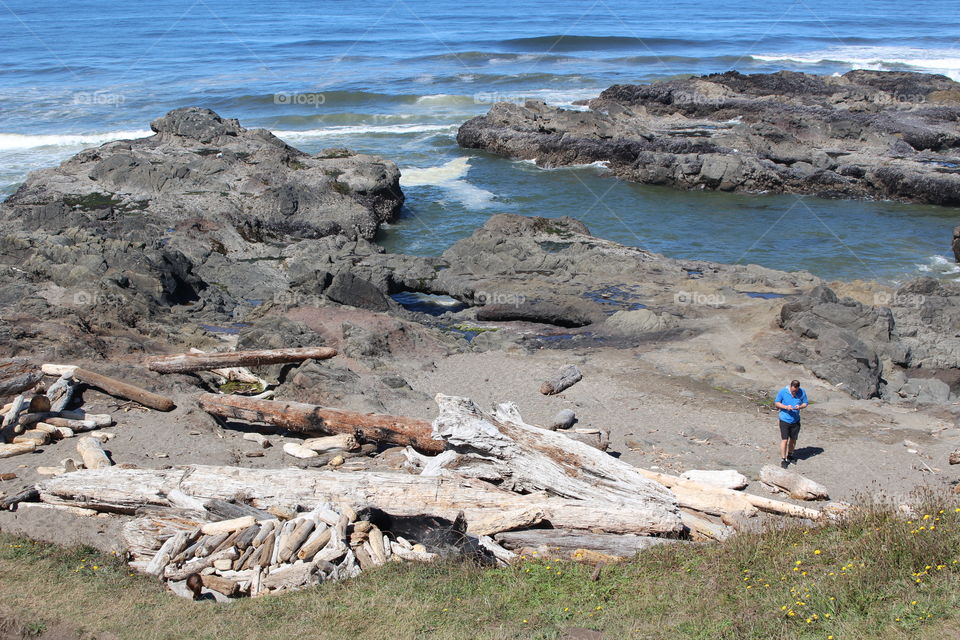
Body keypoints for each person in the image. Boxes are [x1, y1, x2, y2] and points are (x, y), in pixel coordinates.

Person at [774, 379, 808, 468]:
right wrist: (785, 407)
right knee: (784, 440)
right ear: (790, 386)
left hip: (795, 420)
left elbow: (805, 403)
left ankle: (790, 455)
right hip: (784, 419)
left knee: (793, 439)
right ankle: (783, 459)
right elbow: (777, 403)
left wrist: (800, 406)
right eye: (793, 391)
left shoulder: (802, 392)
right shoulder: (783, 392)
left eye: (796, 391)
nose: (794, 393)